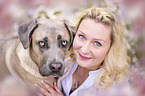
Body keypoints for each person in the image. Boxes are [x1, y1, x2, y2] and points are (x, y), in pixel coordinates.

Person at [36, 7, 131, 96]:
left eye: (97, 43)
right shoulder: (66, 60)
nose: (84, 50)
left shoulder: (117, 87)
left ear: (111, 48)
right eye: (82, 37)